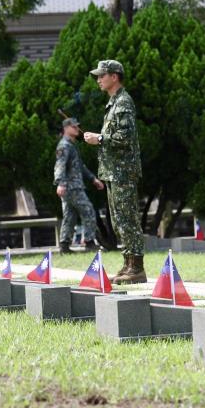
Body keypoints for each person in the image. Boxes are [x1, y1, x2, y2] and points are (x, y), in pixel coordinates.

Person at [83, 60, 146, 283]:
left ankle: (137, 268)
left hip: (123, 172)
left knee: (127, 218)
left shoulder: (123, 103)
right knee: (119, 219)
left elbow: (124, 138)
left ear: (115, 76)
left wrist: (98, 138)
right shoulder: (114, 103)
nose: (98, 80)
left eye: (102, 75)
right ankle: (128, 264)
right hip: (113, 171)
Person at [54, 117, 104, 255]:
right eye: (74, 127)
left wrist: (93, 179)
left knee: (69, 216)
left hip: (72, 186)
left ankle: (64, 246)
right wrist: (60, 183)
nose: (77, 129)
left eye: (77, 127)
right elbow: (60, 165)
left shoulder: (71, 145)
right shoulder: (64, 146)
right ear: (66, 128)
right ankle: (89, 242)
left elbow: (80, 166)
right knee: (88, 210)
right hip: (70, 186)